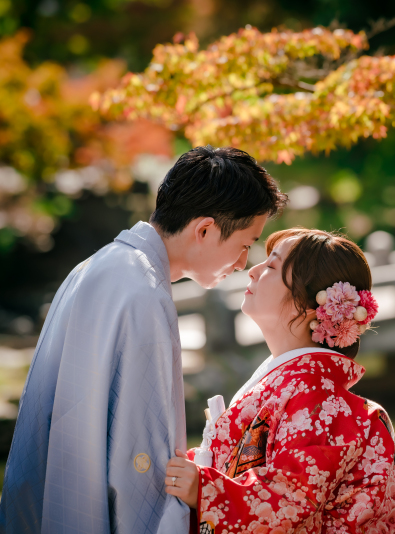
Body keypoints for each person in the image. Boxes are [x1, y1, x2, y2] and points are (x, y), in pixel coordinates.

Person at [0, 146, 288, 534]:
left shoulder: (95, 266)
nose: (242, 263)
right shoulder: (145, 295)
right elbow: (142, 458)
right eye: (244, 244)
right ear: (204, 229)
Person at [164, 228, 395, 534]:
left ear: (305, 306)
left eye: (271, 267)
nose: (252, 270)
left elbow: (290, 501)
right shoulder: (297, 386)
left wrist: (204, 488)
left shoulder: (317, 398)